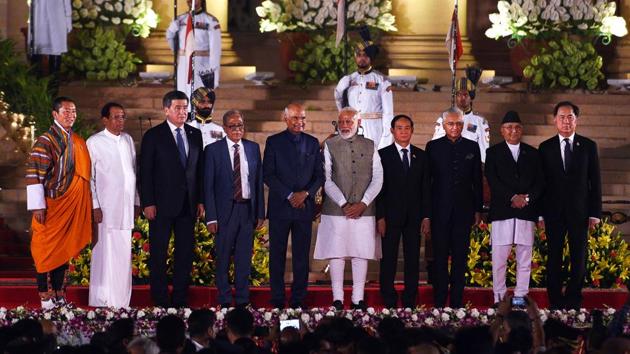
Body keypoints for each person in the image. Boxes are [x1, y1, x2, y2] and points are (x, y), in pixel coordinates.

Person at [314, 107, 383, 311]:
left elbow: (378, 177)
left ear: (358, 122)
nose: (344, 126)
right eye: (341, 122)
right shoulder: (329, 145)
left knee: (360, 253)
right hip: (336, 210)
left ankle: (357, 298)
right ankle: (337, 298)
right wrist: (344, 203)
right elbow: (325, 178)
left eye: (349, 122)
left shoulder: (370, 145)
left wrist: (363, 203)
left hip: (365, 210)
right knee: (337, 253)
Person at [25, 96, 92, 309]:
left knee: (63, 250)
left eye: (73, 111)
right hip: (51, 204)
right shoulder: (46, 140)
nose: (71, 115)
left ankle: (60, 295)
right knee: (45, 250)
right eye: (66, 112)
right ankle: (45, 298)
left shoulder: (77, 141)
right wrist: (37, 206)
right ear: (55, 115)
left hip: (69, 205)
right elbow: (35, 173)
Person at [140, 90, 205, 308]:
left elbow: (199, 171)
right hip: (160, 206)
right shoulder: (153, 135)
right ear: (166, 109)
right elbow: (145, 172)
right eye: (177, 107)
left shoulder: (195, 135)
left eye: (185, 107)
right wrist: (148, 202)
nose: (182, 111)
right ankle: (159, 300)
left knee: (184, 256)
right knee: (158, 255)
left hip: (188, 206)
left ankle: (179, 300)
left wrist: (201, 200)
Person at [539, 101, 602, 310]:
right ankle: (555, 303)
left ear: (576, 120)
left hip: (580, 212)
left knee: (579, 259)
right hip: (553, 212)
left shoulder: (588, 146)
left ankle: (574, 301)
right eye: (562, 117)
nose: (566, 121)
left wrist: (595, 213)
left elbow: (595, 182)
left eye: (570, 117)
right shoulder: (545, 148)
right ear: (555, 120)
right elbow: (541, 184)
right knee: (554, 258)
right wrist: (540, 215)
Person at [263, 103, 324, 309]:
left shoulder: (313, 143)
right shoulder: (273, 142)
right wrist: (290, 195)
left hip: (303, 208)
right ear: (286, 118)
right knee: (277, 257)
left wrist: (305, 194)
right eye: (296, 118)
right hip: (281, 207)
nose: (300, 122)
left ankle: (298, 300)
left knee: (301, 258)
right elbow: (268, 175)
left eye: (303, 118)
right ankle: (278, 300)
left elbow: (319, 175)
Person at [204, 110, 265, 308]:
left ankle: (242, 300)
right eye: (233, 126)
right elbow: (208, 186)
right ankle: (224, 300)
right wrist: (211, 217)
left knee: (244, 259)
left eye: (240, 125)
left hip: (247, 211)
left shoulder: (253, 148)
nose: (237, 130)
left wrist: (260, 213)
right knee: (222, 258)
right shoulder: (213, 151)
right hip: (224, 213)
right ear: (224, 128)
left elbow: (257, 183)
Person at [484, 111, 544, 305]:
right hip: (502, 212)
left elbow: (540, 182)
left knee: (524, 260)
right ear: (502, 131)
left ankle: (520, 297)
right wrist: (512, 197)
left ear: (522, 130)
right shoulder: (493, 153)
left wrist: (526, 198)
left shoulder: (533, 153)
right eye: (509, 127)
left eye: (517, 127)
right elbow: (492, 180)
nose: (513, 131)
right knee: (499, 261)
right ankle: (499, 298)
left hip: (526, 212)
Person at [426, 107, 483, 308]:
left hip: (464, 212)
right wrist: (427, 215)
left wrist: (478, 210)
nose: (455, 127)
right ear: (443, 125)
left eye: (459, 123)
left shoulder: (472, 147)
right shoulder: (433, 147)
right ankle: (440, 303)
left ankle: (457, 303)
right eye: (451, 123)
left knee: (460, 259)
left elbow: (477, 180)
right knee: (440, 259)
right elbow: (427, 182)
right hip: (439, 212)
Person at [87, 102, 140, 308]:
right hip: (105, 210)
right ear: (105, 120)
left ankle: (121, 302)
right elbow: (90, 178)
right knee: (104, 256)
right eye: (116, 117)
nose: (121, 121)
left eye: (123, 117)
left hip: (125, 208)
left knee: (122, 258)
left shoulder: (127, 140)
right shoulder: (94, 142)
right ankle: (101, 300)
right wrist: (94, 205)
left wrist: (136, 201)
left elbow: (132, 173)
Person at [375, 114, 431, 309]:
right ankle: (388, 301)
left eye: (407, 128)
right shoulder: (382, 155)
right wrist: (380, 216)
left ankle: (409, 301)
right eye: (399, 128)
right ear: (392, 131)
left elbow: (426, 188)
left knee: (413, 261)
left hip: (414, 218)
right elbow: (378, 190)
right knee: (388, 260)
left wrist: (426, 216)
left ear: (412, 130)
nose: (404, 131)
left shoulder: (421, 156)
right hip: (389, 218)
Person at [334, 27, 393, 149]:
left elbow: (388, 112)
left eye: (365, 55)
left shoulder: (381, 80)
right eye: (359, 55)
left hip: (374, 128)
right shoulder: (348, 79)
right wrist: (345, 114)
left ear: (371, 58)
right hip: (353, 127)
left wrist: (386, 139)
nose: (362, 58)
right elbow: (338, 97)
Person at [166, 0, 222, 94]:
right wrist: (171, 30)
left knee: (200, 98)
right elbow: (171, 41)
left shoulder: (210, 20)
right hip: (184, 64)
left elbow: (215, 50)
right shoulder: (180, 20)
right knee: (183, 95)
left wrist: (214, 75)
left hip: (202, 65)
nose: (193, 1)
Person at [431, 78, 490, 163]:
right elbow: (436, 143)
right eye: (458, 94)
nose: (462, 98)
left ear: (471, 96)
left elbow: (484, 149)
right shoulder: (444, 118)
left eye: (465, 95)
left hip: (470, 163)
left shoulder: (480, 121)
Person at [28, 0, 72, 79]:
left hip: (57, 15)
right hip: (39, 15)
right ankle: (36, 87)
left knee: (55, 49)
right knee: (37, 50)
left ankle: (53, 88)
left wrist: (68, 18)